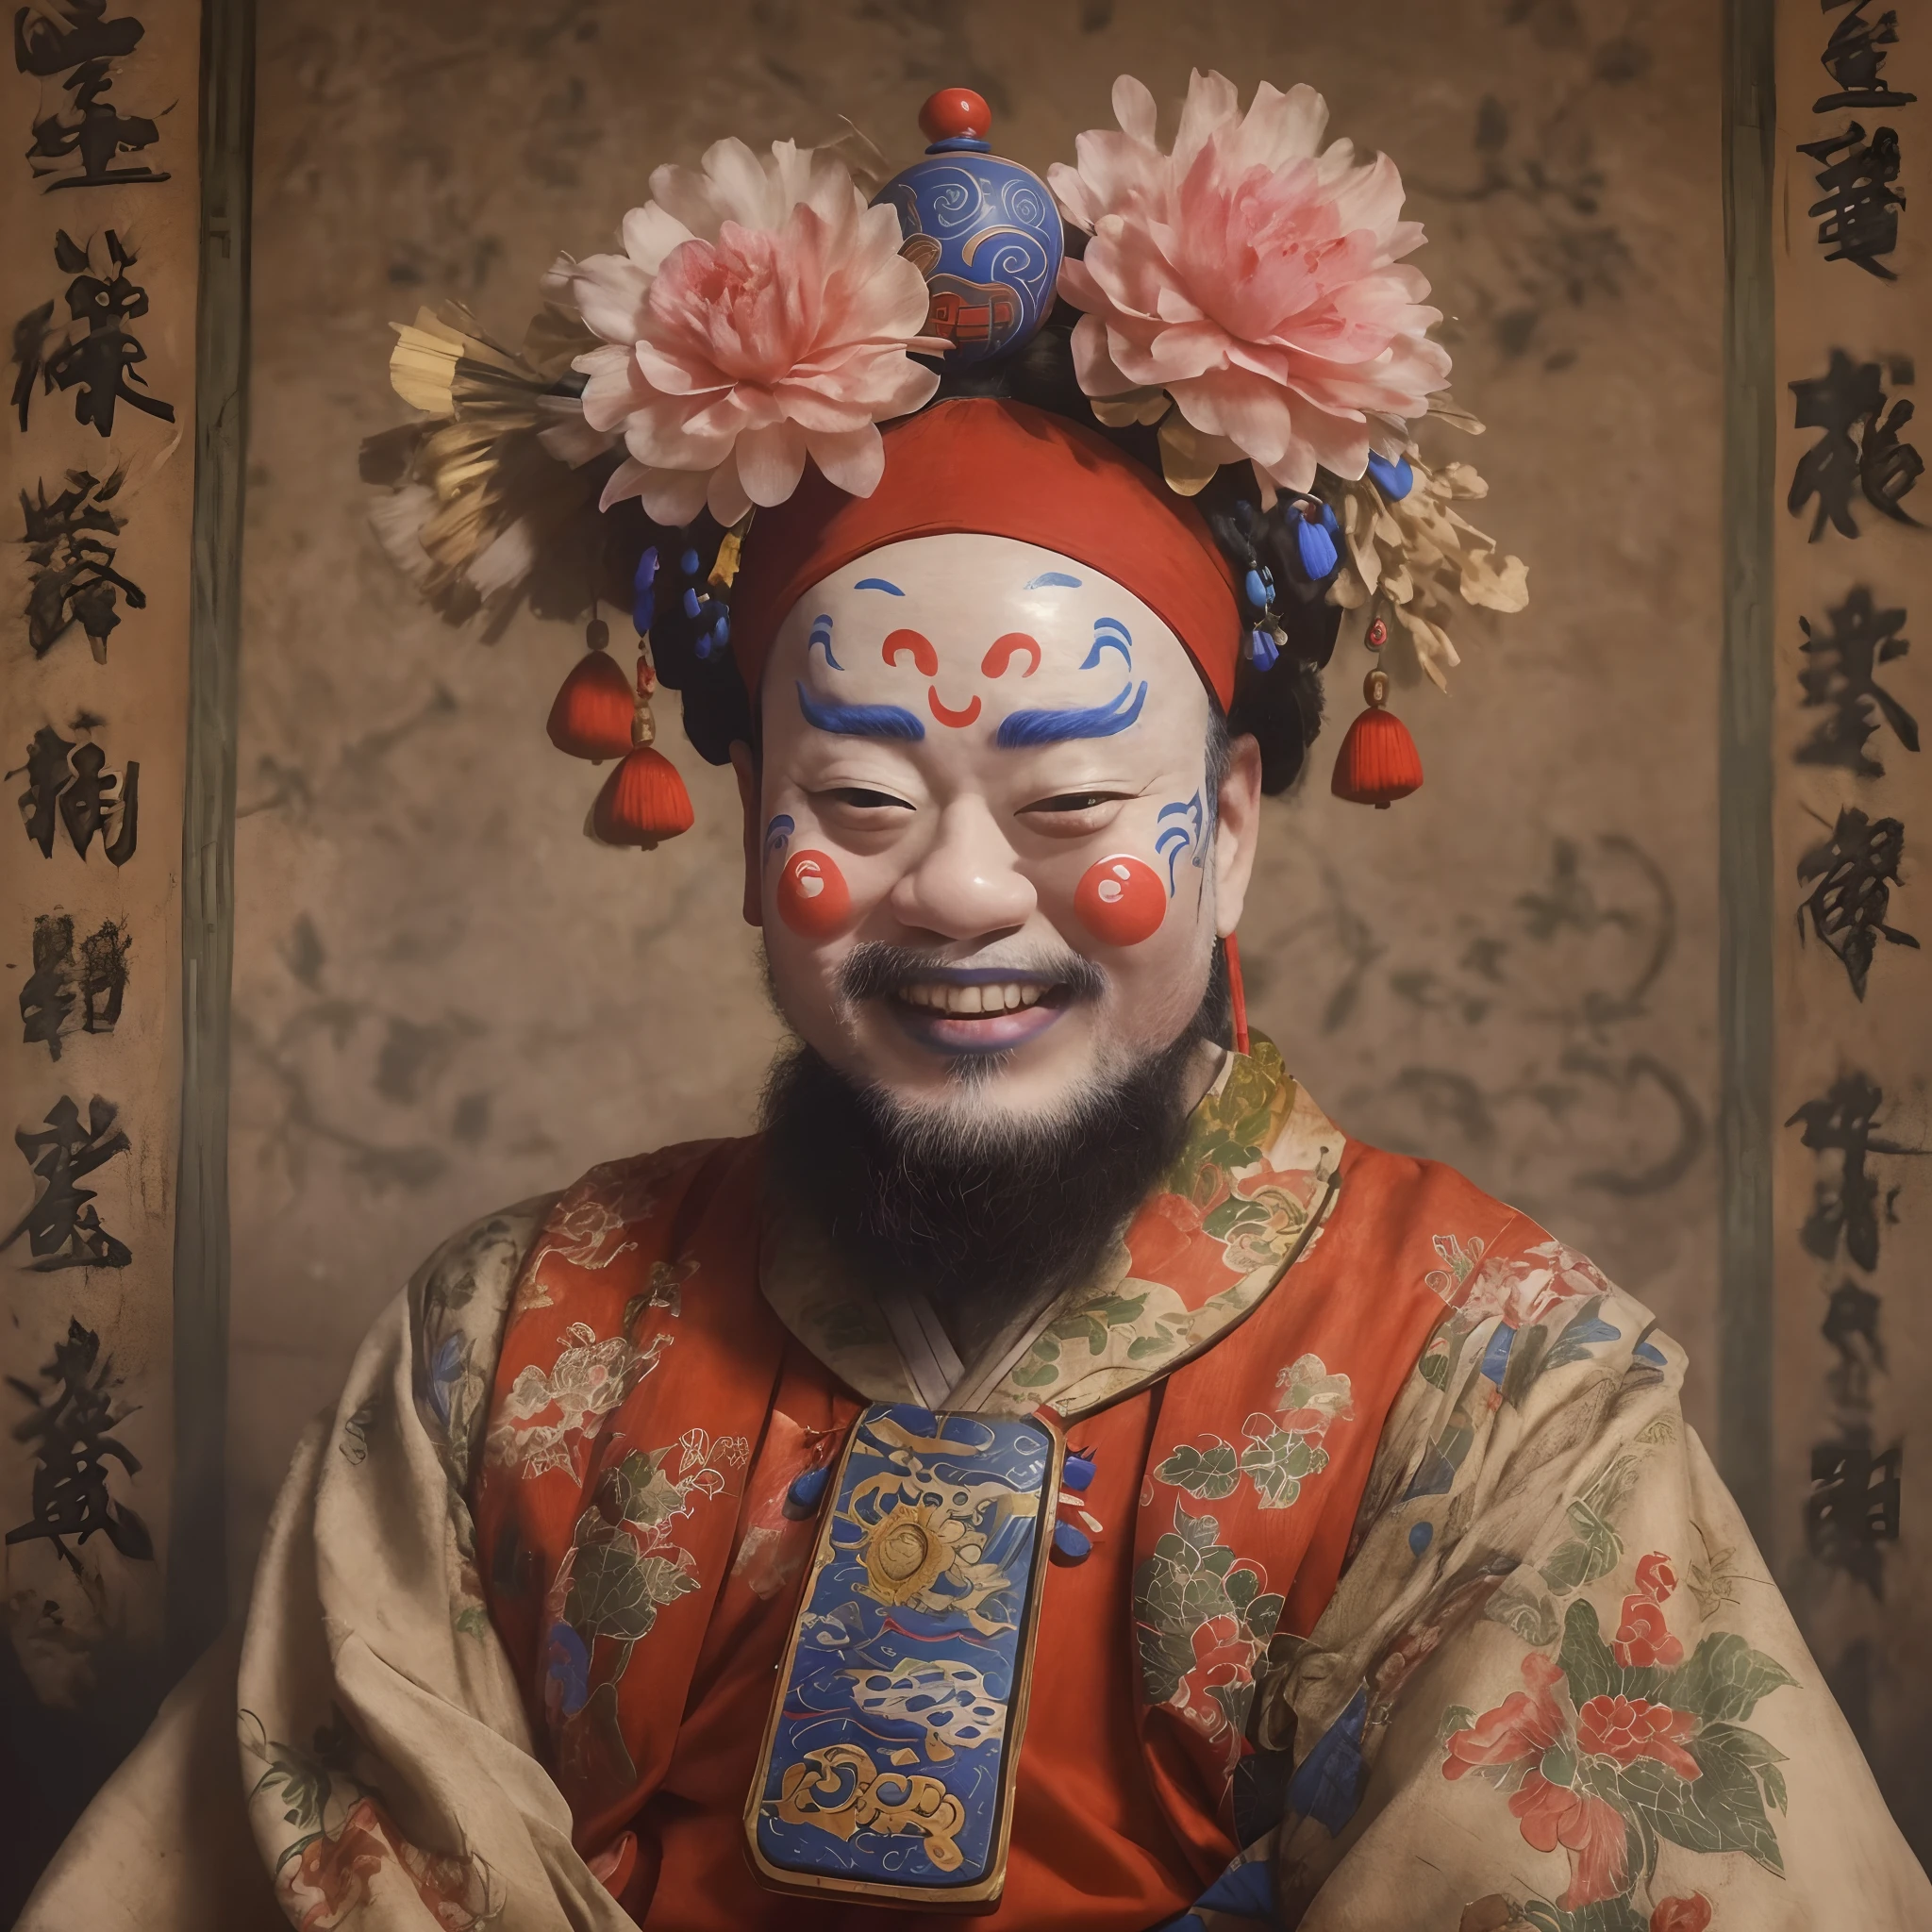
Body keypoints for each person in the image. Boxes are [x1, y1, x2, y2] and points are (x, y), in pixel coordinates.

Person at [24, 69, 1929, 1932]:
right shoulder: (503, 1348)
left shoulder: (1504, 1386)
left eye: (1071, 803)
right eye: (856, 800)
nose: (952, 890)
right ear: (754, 813)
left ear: (1230, 830)